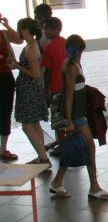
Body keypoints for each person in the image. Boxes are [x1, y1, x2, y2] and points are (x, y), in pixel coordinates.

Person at [48, 34, 108, 200]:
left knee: (74, 148)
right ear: (79, 51)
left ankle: (57, 183)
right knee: (89, 146)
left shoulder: (69, 64)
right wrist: (69, 121)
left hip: (77, 113)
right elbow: (69, 95)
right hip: (76, 115)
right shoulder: (72, 67)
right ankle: (94, 187)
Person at [8, 18, 49, 167]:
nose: (19, 32)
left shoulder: (31, 48)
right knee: (35, 123)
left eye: (20, 29)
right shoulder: (32, 45)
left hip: (29, 90)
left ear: (26, 30)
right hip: (31, 89)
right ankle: (41, 156)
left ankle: (43, 158)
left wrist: (18, 67)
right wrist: (17, 64)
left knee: (27, 126)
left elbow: (35, 74)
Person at [41, 17, 68, 153]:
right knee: (67, 117)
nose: (44, 32)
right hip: (68, 87)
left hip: (56, 88)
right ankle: (65, 144)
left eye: (47, 29)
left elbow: (48, 71)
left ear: (56, 30)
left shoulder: (49, 48)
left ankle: (62, 148)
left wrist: (45, 88)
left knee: (58, 121)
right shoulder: (67, 43)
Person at [0, 12, 22, 161]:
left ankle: (3, 149)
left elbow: (19, 39)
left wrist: (6, 25)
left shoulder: (3, 34)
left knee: (5, 113)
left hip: (5, 78)